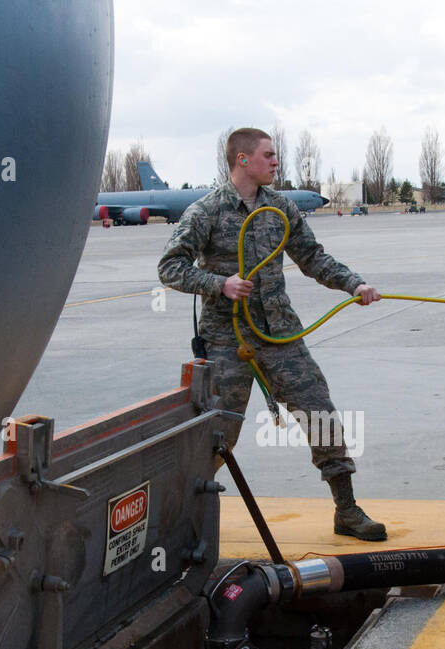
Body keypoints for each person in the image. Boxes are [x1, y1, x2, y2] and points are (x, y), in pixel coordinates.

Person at [158, 127, 386, 540]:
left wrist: (354, 284)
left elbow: (313, 257)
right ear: (242, 159)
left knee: (319, 411)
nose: (275, 161)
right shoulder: (206, 211)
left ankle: (347, 511)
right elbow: (170, 268)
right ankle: (176, 522)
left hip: (279, 333)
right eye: (268, 154)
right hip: (228, 338)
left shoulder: (281, 208)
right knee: (218, 432)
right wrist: (219, 283)